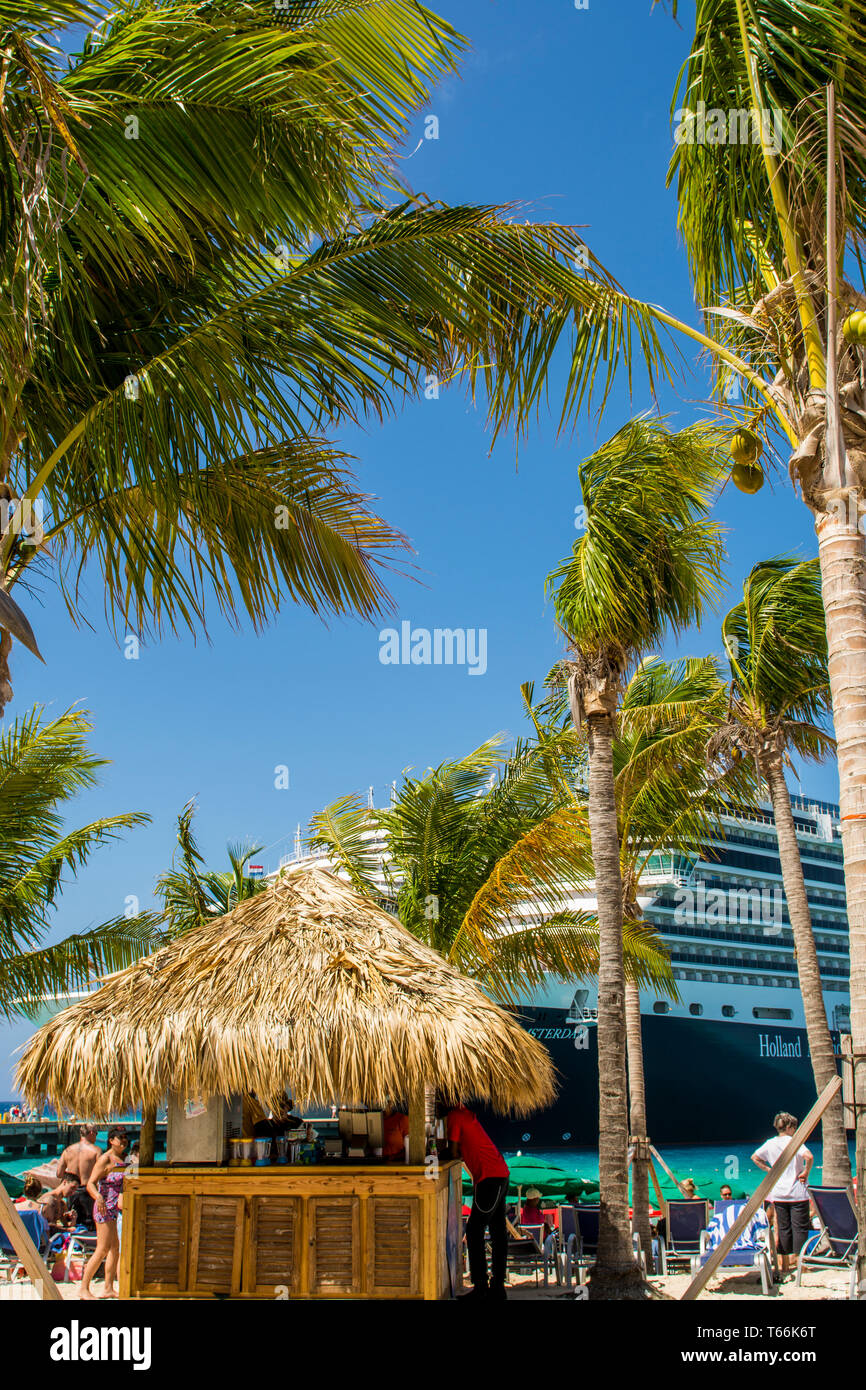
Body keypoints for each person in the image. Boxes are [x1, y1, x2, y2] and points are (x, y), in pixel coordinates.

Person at [442, 1101, 510, 1301]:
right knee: (497, 1232)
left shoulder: (455, 1116)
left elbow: (453, 1152)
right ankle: (497, 1287)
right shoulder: (464, 1114)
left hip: (489, 1178)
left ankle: (481, 1286)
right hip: (497, 1175)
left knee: (474, 1231)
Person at [751, 1112, 813, 1276]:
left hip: (779, 1193)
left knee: (784, 1229)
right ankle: (801, 1264)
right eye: (795, 1127)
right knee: (799, 1229)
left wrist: (769, 1170)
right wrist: (806, 1172)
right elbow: (809, 1156)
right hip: (797, 1192)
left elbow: (755, 1157)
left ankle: (784, 1266)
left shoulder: (770, 1143)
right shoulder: (794, 1142)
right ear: (790, 1127)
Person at [81, 1125, 129, 1300]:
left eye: (125, 1137)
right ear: (111, 1141)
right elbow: (90, 1183)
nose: (124, 1140)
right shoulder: (105, 1159)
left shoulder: (124, 1158)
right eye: (120, 1137)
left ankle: (108, 1287)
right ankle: (84, 1289)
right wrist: (98, 1197)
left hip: (116, 1208)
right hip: (104, 1207)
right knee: (102, 1249)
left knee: (115, 1249)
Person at [57, 1123, 101, 1228]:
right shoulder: (96, 1151)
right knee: (90, 1225)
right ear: (91, 1133)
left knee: (71, 1221)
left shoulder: (68, 1150)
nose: (96, 1137)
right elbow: (101, 1174)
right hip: (88, 1190)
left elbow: (59, 1173)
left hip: (72, 1191)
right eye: (96, 1133)